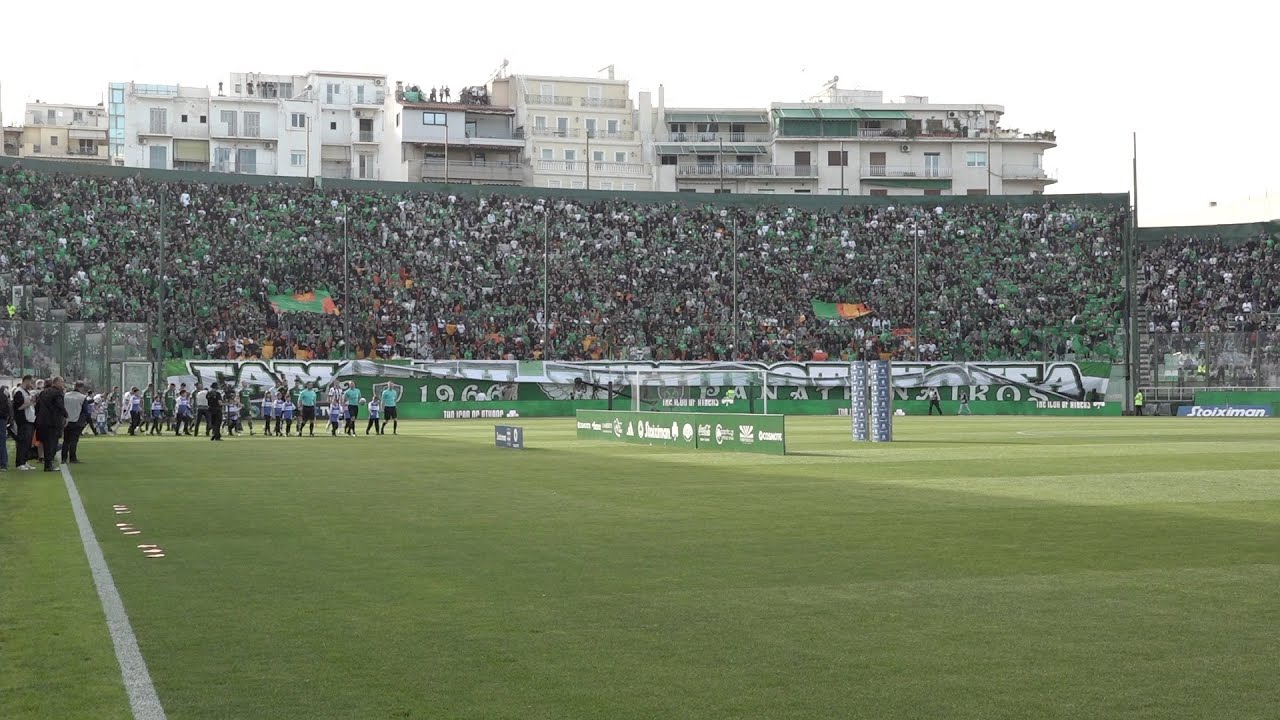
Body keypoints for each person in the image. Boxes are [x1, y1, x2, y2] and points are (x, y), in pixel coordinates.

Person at [35, 376, 68, 472]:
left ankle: (47, 464)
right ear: (56, 382)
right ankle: (49, 465)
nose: (63, 384)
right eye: (62, 382)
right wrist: (66, 416)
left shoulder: (43, 392)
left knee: (45, 443)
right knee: (52, 444)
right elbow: (60, 406)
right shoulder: (58, 393)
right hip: (53, 422)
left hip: (41, 421)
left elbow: (37, 406)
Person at [12, 376, 37, 470]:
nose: (32, 385)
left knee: (28, 442)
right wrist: (30, 402)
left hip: (30, 419)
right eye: (31, 382)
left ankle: (24, 460)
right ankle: (20, 463)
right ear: (27, 381)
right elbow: (18, 407)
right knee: (23, 442)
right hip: (23, 420)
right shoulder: (19, 392)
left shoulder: (26, 391)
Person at [62, 381, 89, 464]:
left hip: (66, 420)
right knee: (74, 440)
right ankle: (72, 458)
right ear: (81, 387)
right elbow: (85, 410)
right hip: (77, 421)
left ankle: (63, 458)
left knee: (66, 440)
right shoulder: (82, 397)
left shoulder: (65, 395)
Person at [0, 383, 11, 472]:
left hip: (1, 419)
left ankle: (3, 463)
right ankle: (3, 464)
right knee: (2, 441)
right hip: (2, 419)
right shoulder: (3, 394)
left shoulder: (2, 394)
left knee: (1, 441)